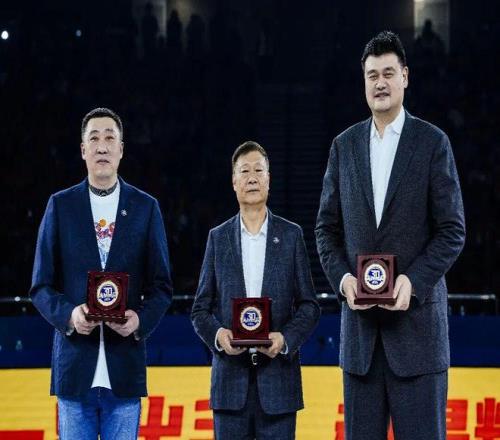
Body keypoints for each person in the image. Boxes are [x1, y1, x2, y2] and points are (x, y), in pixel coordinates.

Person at [315, 31, 465, 440]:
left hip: (418, 338)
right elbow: (326, 230)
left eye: (387, 73)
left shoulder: (432, 143)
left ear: (405, 77)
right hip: (361, 344)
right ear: (363, 82)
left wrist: (413, 281)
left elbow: (452, 230)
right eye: (371, 75)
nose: (379, 83)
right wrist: (343, 280)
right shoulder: (343, 147)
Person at [30, 107, 172, 439]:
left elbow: (162, 287)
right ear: (83, 150)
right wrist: (69, 315)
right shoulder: (61, 206)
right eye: (94, 138)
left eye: (110, 137)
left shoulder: (145, 208)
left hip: (124, 372)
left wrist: (139, 321)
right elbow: (40, 286)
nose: (102, 146)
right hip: (75, 370)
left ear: (121, 149)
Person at [191, 141, 320, 439]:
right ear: (234, 182)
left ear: (269, 179)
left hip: (279, 386)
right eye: (244, 171)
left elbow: (309, 306)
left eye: (258, 171)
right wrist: (219, 336)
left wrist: (285, 339)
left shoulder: (291, 236)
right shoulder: (218, 238)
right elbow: (200, 310)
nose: (252, 178)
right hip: (229, 386)